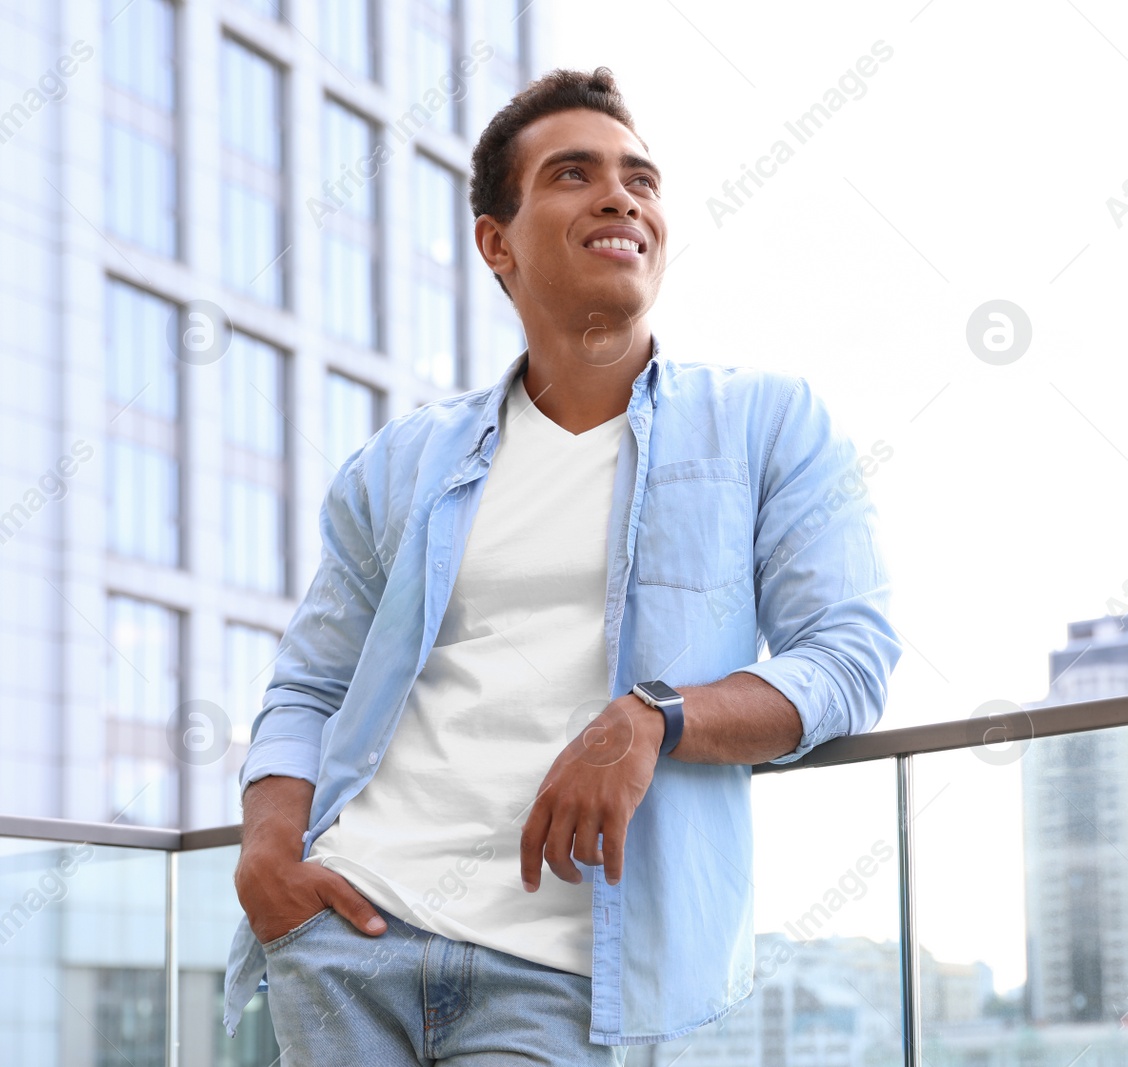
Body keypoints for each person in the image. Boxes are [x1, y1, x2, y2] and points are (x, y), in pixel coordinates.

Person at [220, 66, 901, 1064]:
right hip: (347, 935)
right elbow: (309, 683)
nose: (621, 195)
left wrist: (653, 716)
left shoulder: (766, 423)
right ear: (498, 240)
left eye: (641, 177)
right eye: (573, 174)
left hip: (562, 977)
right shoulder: (401, 462)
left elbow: (849, 654)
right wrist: (268, 855)